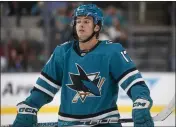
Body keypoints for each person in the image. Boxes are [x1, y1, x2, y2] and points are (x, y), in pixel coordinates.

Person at [12, 4, 154, 127]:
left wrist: (140, 101)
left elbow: (134, 83)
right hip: (68, 123)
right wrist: (30, 106)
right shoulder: (62, 52)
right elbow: (43, 89)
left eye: (86, 21)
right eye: (78, 21)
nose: (81, 24)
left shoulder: (112, 52)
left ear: (97, 26)